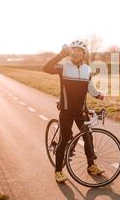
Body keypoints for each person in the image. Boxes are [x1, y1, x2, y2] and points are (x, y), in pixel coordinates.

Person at [43, 40, 105, 183]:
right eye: (74, 50)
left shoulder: (87, 69)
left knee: (87, 137)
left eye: (80, 50)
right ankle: (58, 171)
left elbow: (90, 87)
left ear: (84, 54)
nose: (76, 52)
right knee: (64, 139)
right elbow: (46, 68)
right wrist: (60, 54)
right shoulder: (63, 66)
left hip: (80, 110)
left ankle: (91, 165)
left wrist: (98, 94)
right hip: (66, 110)